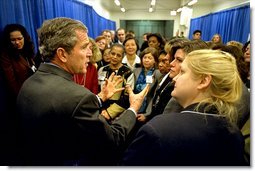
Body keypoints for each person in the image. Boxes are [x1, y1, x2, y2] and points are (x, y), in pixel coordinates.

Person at [16, 17, 149, 166]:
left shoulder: (29, 83)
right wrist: (133, 108)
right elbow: (113, 139)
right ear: (62, 54)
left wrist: (99, 98)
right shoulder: (78, 96)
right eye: (84, 47)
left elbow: (65, 111)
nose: (90, 53)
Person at [122, 49, 247, 166]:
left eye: (182, 72)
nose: (175, 78)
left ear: (204, 81)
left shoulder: (158, 130)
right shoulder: (234, 133)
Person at [0, 24, 36, 164]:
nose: (17, 43)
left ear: (25, 38)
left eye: (19, 39)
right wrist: (25, 102)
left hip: (32, 99)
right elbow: (12, 84)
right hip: (19, 103)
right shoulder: (5, 56)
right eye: (13, 40)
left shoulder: (27, 53)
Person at [98, 43, 134, 121]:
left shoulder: (128, 72)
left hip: (119, 114)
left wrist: (109, 112)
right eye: (113, 53)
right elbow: (98, 90)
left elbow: (127, 96)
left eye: (118, 55)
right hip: (101, 110)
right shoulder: (102, 70)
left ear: (122, 57)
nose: (114, 57)